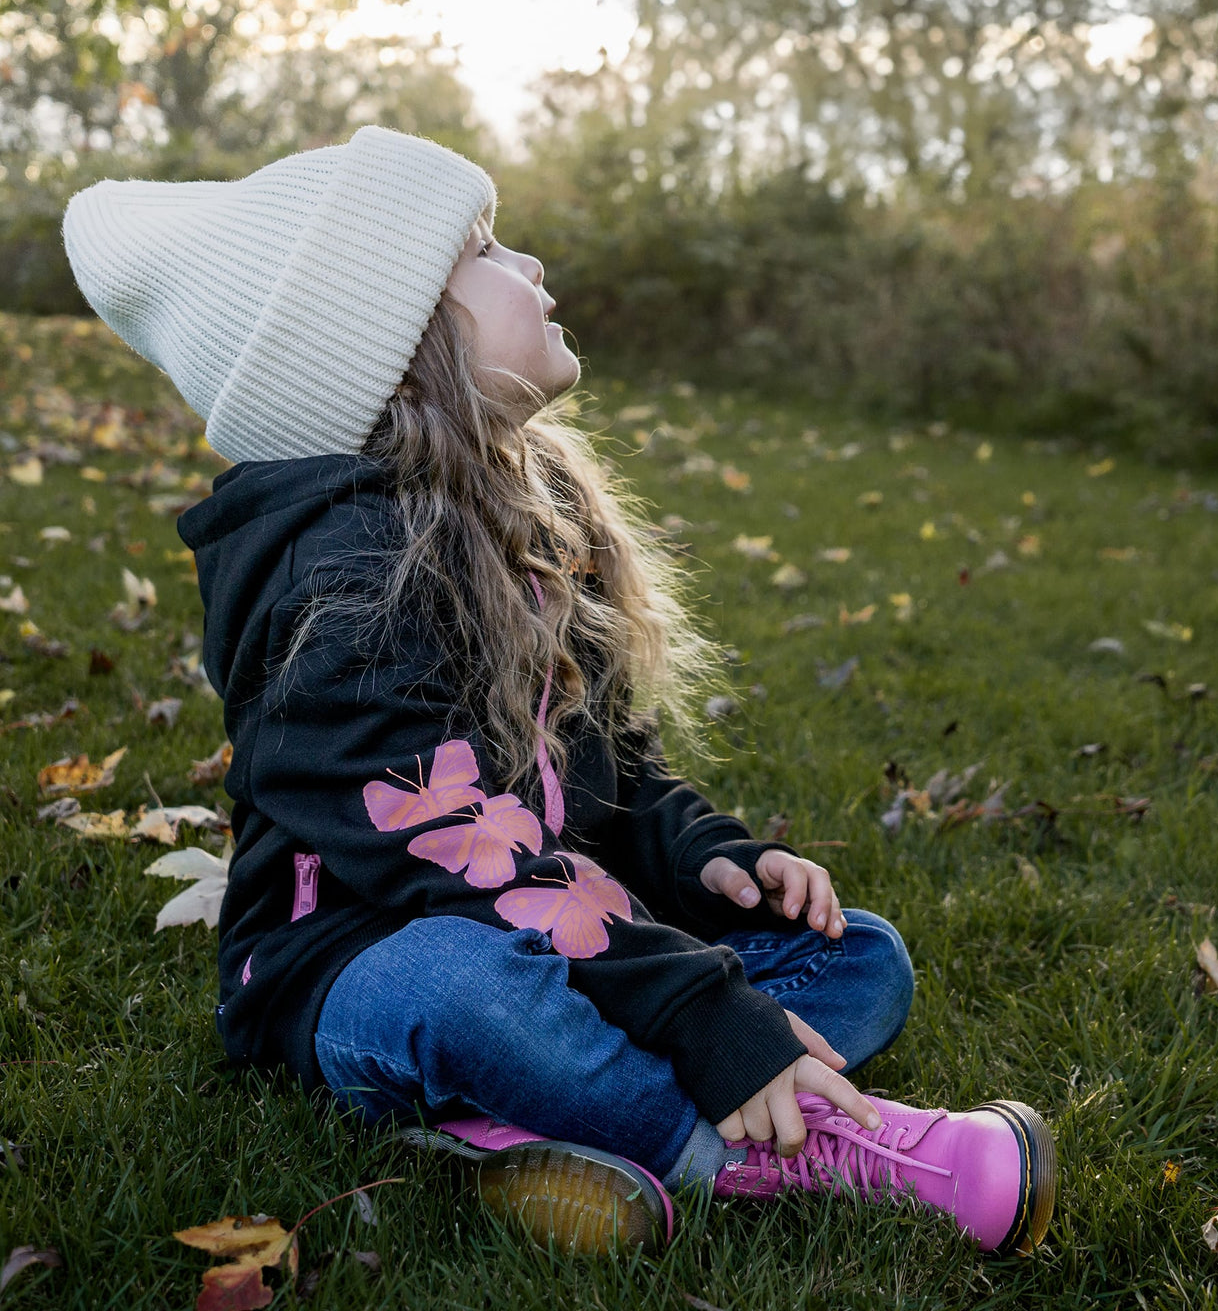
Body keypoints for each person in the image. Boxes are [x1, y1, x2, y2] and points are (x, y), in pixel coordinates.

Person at [62, 126, 1055, 1259]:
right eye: (483, 251)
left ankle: (534, 1121)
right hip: (361, 967)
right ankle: (786, 1152)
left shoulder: (518, 518)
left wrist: (709, 860)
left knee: (857, 955)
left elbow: (605, 764)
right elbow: (448, 858)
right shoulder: (341, 580)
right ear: (391, 342)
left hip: (547, 918)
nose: (528, 265)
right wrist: (697, 1007)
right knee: (466, 987)